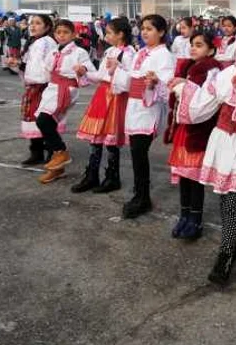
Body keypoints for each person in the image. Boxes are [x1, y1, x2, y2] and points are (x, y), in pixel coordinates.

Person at [169, 25, 236, 285]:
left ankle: (227, 252)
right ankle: (229, 245)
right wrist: (184, 88)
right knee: (223, 194)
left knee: (234, 198)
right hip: (222, 136)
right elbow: (206, 100)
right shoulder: (230, 70)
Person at [112, 14, 175, 219]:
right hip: (134, 106)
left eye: (150, 28)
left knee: (139, 152)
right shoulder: (142, 52)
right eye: (143, 28)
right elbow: (131, 79)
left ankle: (143, 197)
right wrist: (118, 70)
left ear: (162, 32)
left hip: (148, 108)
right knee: (136, 153)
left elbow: (166, 86)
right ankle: (140, 193)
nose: (145, 32)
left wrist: (155, 82)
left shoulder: (164, 55)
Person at [166, 32, 222, 240]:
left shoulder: (212, 69)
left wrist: (184, 85)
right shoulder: (188, 66)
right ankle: (184, 215)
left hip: (199, 128)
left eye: (199, 45)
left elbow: (206, 98)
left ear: (211, 49)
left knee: (195, 177)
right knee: (184, 175)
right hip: (185, 128)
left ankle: (195, 219)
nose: (193, 48)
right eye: (192, 44)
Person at [72, 18, 135, 194]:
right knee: (95, 137)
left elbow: (131, 79)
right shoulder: (109, 51)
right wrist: (85, 72)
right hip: (102, 95)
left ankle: (112, 177)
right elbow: (100, 75)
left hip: (116, 97)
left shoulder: (129, 54)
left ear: (120, 34)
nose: (106, 36)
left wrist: (118, 70)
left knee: (111, 140)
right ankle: (92, 175)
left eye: (108, 32)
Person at [33, 19, 95, 184]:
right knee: (47, 123)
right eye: (58, 32)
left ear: (73, 34)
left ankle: (61, 152)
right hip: (51, 88)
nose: (61, 36)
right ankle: (57, 168)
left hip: (66, 90)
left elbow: (90, 69)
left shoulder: (79, 52)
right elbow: (45, 70)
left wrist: (83, 70)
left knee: (44, 120)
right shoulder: (53, 51)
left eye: (66, 32)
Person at [12, 15, 57, 165]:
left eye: (38, 23)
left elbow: (50, 66)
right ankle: (36, 151)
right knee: (32, 118)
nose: (32, 26)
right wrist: (16, 63)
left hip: (44, 86)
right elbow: (27, 65)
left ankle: (53, 152)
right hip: (33, 86)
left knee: (45, 120)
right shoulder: (33, 42)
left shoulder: (48, 42)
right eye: (31, 23)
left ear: (47, 27)